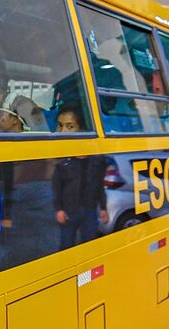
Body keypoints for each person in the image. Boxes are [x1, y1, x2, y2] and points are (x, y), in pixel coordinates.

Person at [51, 107, 109, 250]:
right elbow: (56, 187)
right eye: (59, 126)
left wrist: (103, 208)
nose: (63, 132)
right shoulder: (62, 162)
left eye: (70, 126)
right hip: (69, 212)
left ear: (82, 129)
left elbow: (99, 186)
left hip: (90, 211)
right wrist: (59, 209)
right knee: (66, 246)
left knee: (89, 248)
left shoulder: (97, 160)